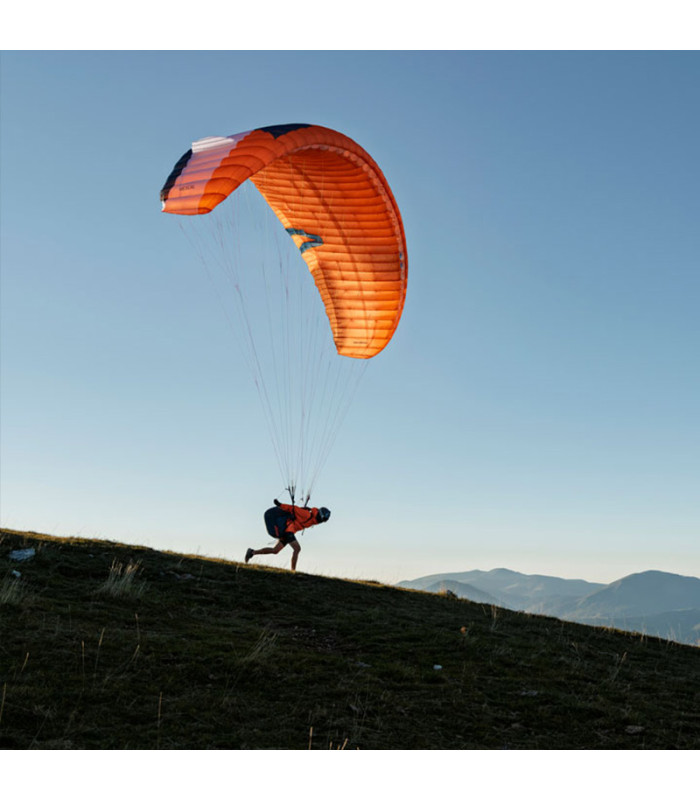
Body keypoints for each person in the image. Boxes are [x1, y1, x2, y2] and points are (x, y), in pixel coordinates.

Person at [245, 499, 331, 572]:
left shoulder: (312, 519)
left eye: (323, 521)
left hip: (289, 531)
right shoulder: (307, 514)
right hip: (288, 531)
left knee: (275, 550)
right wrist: (280, 504)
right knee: (297, 549)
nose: (321, 522)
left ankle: (252, 552)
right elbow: (293, 508)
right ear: (320, 516)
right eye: (322, 520)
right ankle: (293, 571)